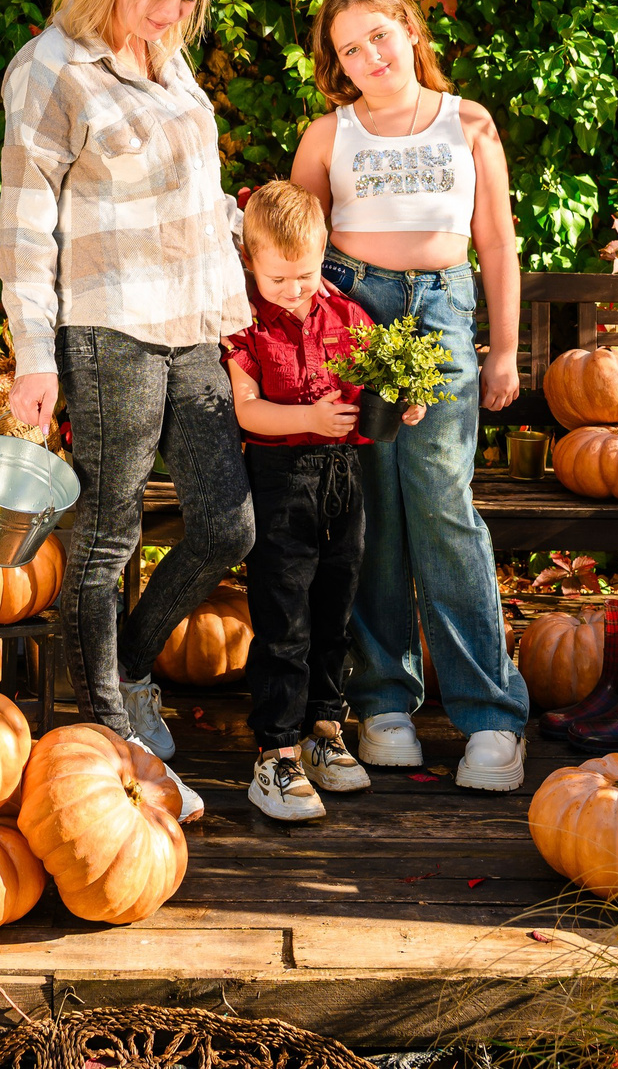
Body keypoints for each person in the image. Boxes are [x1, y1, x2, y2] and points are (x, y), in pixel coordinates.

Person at [0, 0, 254, 820]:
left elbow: (187, 195)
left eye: (188, 0)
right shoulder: (52, 70)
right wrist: (36, 356)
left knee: (228, 527)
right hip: (107, 327)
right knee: (105, 536)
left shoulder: (167, 58)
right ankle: (104, 737)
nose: (172, 15)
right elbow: (24, 230)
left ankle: (131, 671)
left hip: (192, 321)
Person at [291, 0, 531, 791]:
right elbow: (295, 252)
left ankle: (492, 716)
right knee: (368, 507)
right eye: (349, 50)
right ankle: (384, 701)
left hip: (441, 312)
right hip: (352, 310)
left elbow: (495, 240)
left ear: (409, 28)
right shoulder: (329, 136)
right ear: (337, 66)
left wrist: (503, 348)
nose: (369, 58)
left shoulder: (469, 123)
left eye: (379, 37)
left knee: (440, 500)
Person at [221, 181, 425, 822]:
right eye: (279, 277)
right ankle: (274, 754)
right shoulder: (243, 322)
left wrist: (404, 402)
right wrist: (307, 414)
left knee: (336, 612)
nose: (294, 289)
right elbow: (246, 409)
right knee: (285, 621)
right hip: (281, 480)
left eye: (306, 275)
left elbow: (373, 395)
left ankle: (324, 733)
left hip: (343, 480)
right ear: (252, 263)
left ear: (322, 256)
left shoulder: (348, 316)